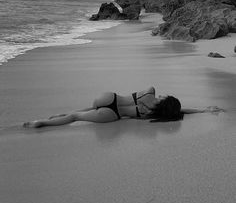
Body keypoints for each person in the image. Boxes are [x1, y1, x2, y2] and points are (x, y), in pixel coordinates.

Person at [23, 86, 223, 128]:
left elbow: (180, 109)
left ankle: (60, 115)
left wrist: (203, 109)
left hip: (109, 96)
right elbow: (180, 111)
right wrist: (203, 111)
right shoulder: (151, 113)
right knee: (76, 117)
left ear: (164, 98)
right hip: (112, 114)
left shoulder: (150, 91)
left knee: (84, 109)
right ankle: (40, 122)